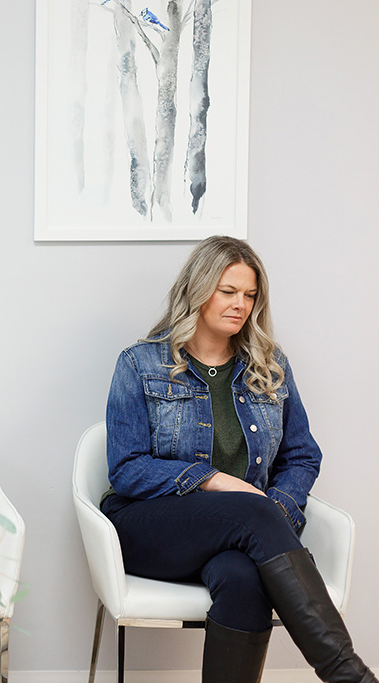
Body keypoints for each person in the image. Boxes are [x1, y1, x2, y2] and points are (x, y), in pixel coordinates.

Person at [102, 236, 375, 683]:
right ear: (198, 289)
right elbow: (127, 468)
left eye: (250, 295)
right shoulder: (140, 364)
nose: (240, 305)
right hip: (149, 527)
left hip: (245, 534)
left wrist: (277, 509)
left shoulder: (268, 366)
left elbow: (302, 456)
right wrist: (214, 481)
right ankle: (349, 674)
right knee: (251, 511)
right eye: (228, 292)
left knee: (243, 579)